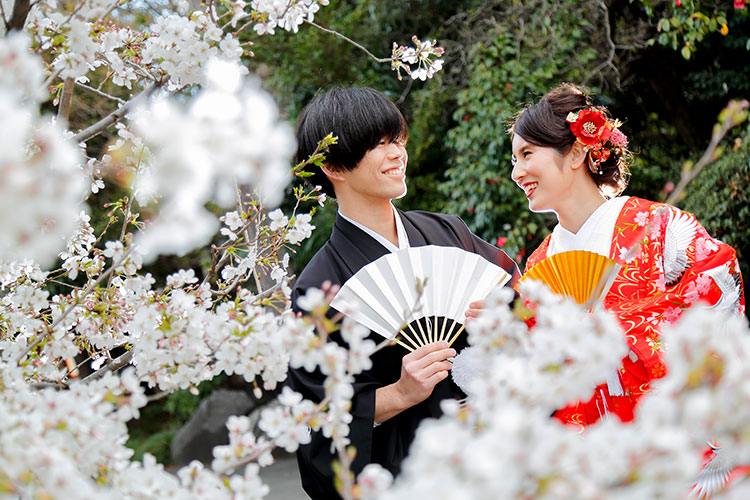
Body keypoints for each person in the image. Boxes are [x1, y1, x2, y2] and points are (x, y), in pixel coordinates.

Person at [287, 86, 520, 499]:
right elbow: (319, 423)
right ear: (336, 167)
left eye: (397, 139)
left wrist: (505, 316)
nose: (398, 153)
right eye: (379, 144)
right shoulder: (318, 290)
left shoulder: (447, 233)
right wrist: (398, 393)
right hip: (412, 473)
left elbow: (518, 298)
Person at [502, 83, 745, 427]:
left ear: (575, 152)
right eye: (514, 160)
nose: (516, 173)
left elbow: (719, 289)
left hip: (663, 433)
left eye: (527, 154)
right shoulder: (540, 263)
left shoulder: (655, 225)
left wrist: (613, 329)